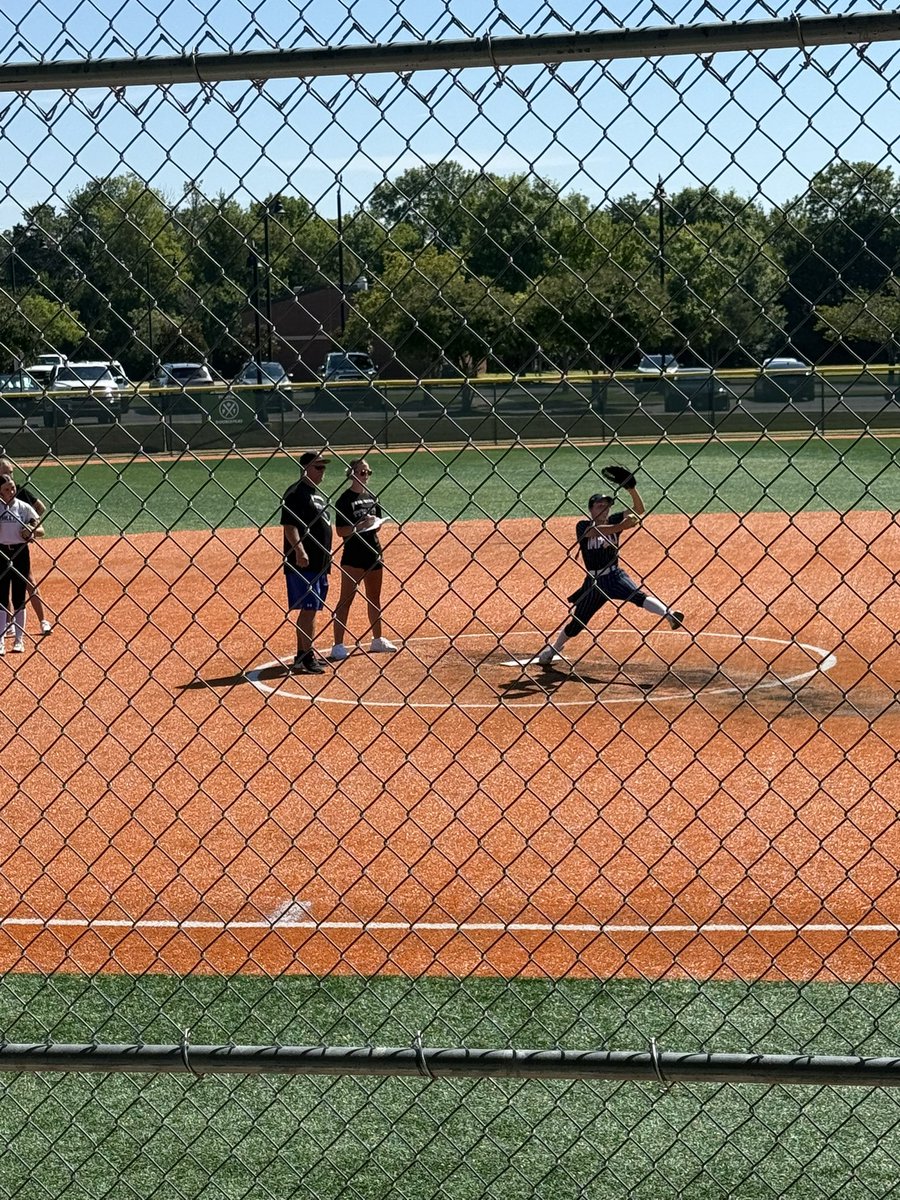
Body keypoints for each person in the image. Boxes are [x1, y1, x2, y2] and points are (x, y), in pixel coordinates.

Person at [537, 482, 683, 666]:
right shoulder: (583, 526)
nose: (604, 509)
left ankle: (669, 615)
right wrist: (623, 525)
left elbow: (639, 509)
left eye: (607, 506)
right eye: (600, 505)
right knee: (577, 623)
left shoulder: (613, 520)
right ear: (591, 509)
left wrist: (631, 489)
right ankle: (554, 649)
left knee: (638, 596)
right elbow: (594, 532)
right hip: (594, 582)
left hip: (615, 576)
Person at [329, 458, 398, 660]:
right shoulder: (344, 500)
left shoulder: (372, 497)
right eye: (362, 472)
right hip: (353, 556)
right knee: (346, 600)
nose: (365, 476)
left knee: (374, 598)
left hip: (374, 552)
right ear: (352, 474)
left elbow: (378, 523)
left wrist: (374, 523)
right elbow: (341, 531)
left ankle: (377, 640)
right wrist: (358, 527)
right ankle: (338, 644)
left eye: (368, 472)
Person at [281, 450, 334, 674]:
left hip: (320, 562)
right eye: (318, 467)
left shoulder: (316, 494)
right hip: (304, 563)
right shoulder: (296, 493)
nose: (323, 471)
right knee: (308, 609)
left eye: (324, 467)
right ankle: (306, 656)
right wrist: (300, 551)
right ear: (305, 469)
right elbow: (289, 525)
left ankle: (303, 654)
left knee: (311, 609)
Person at [0, 456, 52, 635]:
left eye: (11, 473)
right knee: (3, 585)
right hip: (2, 547)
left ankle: (43, 620)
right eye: (5, 472)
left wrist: (29, 525)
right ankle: (8, 623)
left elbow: (41, 508)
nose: (10, 476)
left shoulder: (18, 491)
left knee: (29, 581)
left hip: (19, 547)